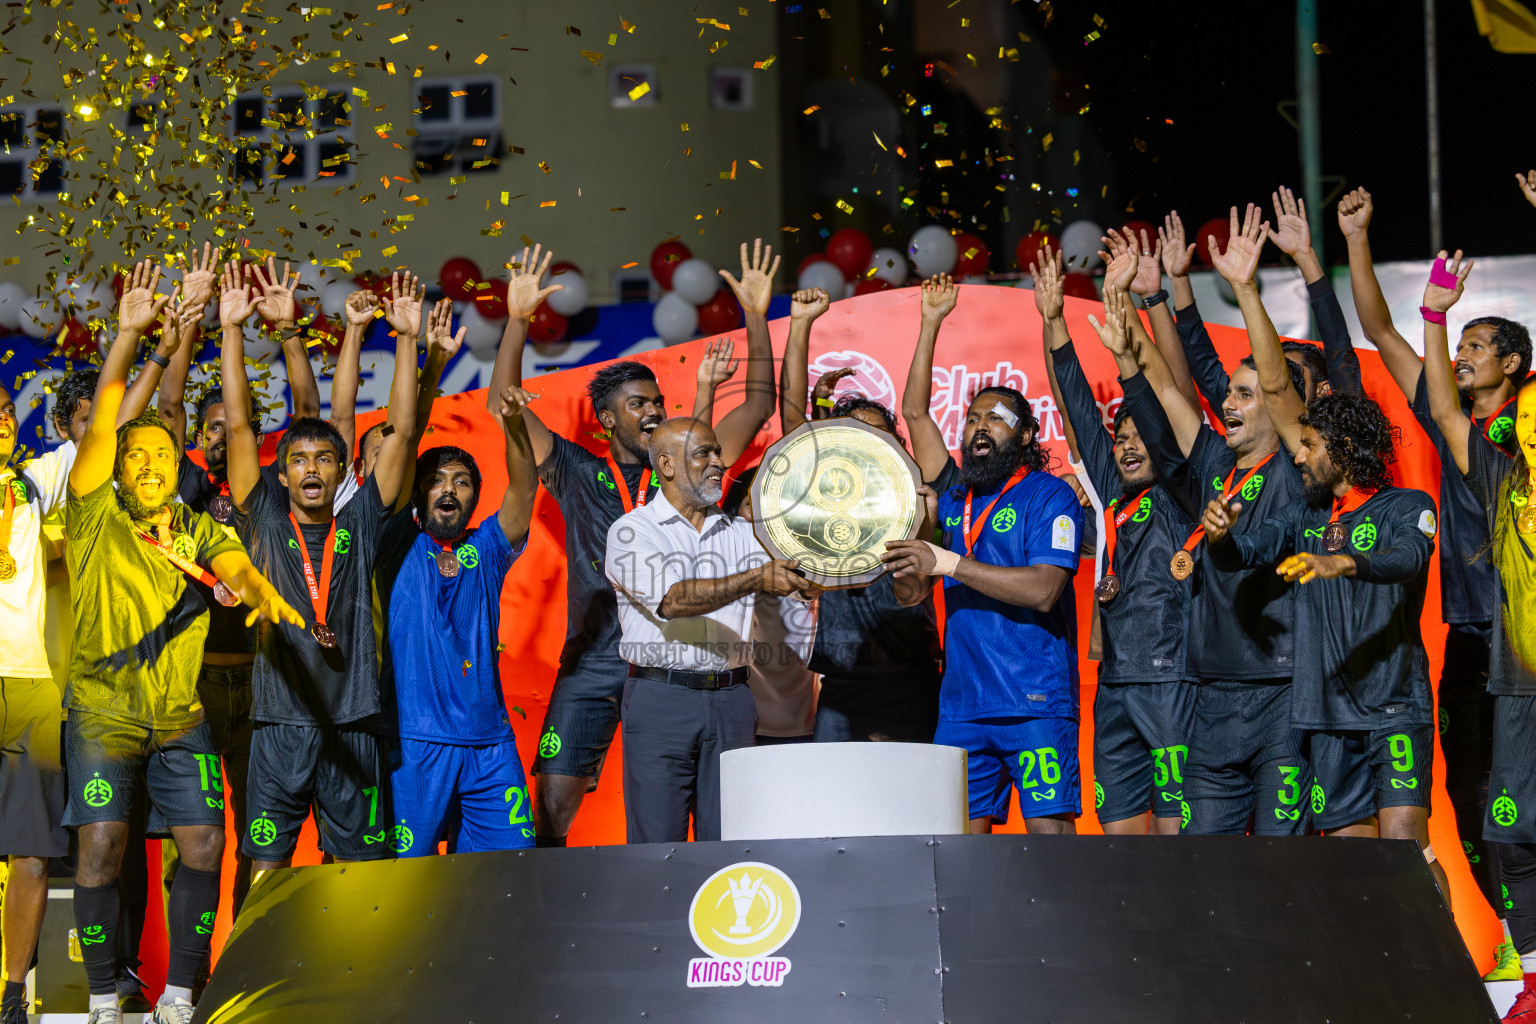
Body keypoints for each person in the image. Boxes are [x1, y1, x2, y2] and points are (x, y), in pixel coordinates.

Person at [61, 262, 300, 1024]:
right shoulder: (96, 510)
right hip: (102, 712)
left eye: (165, 456)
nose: (154, 464)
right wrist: (135, 334)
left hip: (177, 715)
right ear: (120, 471)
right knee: (101, 846)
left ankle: (179, 995)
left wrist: (256, 588)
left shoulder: (198, 524)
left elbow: (229, 558)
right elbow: (105, 423)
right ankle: (103, 995)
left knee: (203, 843)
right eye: (141, 456)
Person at [502, 240, 780, 846]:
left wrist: (756, 315)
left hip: (680, 661)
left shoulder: (690, 467)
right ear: (607, 418)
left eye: (657, 400)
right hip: (598, 660)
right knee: (549, 811)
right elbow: (509, 406)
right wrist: (518, 320)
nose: (652, 411)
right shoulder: (576, 469)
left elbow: (757, 403)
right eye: (637, 405)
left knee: (706, 827)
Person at [1342, 187, 1529, 965]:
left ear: (1512, 364)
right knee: (1479, 800)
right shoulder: (1456, 421)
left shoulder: (1518, 433)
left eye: (1478, 345)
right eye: (1462, 344)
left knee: (1519, 805)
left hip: (1525, 634)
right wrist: (1356, 238)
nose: (1461, 354)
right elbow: (1382, 329)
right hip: (1470, 638)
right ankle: (1519, 945)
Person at [1199, 379, 1442, 899]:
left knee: (1406, 847)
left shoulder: (1406, 505)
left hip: (1392, 705)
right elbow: (1247, 553)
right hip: (1326, 714)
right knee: (1351, 858)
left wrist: (1347, 562)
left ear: (1346, 450)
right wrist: (1219, 540)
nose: (1300, 455)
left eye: (1310, 445)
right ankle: (1370, 968)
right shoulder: (1307, 515)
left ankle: (1445, 975)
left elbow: (1410, 559)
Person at [220, 262, 418, 872]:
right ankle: (256, 970)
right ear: (281, 475)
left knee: (359, 876)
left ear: (342, 470)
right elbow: (237, 425)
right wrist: (230, 330)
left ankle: (354, 971)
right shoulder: (265, 519)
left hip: (354, 719)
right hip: (279, 720)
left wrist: (407, 338)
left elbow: (403, 429)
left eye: (324, 459)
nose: (311, 468)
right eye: (298, 459)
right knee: (266, 869)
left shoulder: (359, 520)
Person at [1120, 206, 1311, 837]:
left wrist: (1246, 289)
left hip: (1281, 693)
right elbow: (1168, 394)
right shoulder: (1212, 467)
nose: (1227, 402)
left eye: (1244, 394)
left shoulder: (1294, 466)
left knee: (1284, 875)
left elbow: (1281, 387)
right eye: (1228, 392)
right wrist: (1131, 338)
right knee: (1205, 870)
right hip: (1210, 697)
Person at [886, 274, 1085, 835]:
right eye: (973, 418)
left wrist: (946, 563)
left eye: (995, 419)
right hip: (963, 704)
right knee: (962, 844)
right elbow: (917, 415)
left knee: (1050, 836)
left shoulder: (1048, 494)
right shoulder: (953, 496)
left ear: (1025, 435)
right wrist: (930, 323)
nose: (978, 426)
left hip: (1033, 701)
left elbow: (1045, 590)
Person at [1038, 249, 1196, 836]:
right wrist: (1053, 320)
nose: (1129, 447)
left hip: (1174, 681)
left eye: (1140, 438)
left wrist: (1132, 307)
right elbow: (1078, 405)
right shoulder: (1110, 498)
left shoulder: (1185, 489)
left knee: (1178, 841)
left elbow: (1171, 390)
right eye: (1120, 437)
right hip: (1114, 686)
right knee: (1120, 839)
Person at [1416, 248, 1536, 1022]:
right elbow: (1447, 409)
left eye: (1478, 348)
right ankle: (1532, 979)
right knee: (1511, 828)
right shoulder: (1496, 467)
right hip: (1519, 671)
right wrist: (1433, 316)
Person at [375, 299, 540, 855]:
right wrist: (433, 366)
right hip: (415, 744)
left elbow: (523, 489)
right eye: (437, 480)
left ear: (474, 494)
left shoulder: (488, 548)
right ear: (419, 493)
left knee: (506, 877)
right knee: (405, 888)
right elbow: (405, 435)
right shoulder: (399, 541)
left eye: (463, 480)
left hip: (491, 744)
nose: (449, 488)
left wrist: (514, 426)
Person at [605, 417, 819, 842]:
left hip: (734, 701)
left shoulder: (745, 534)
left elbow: (807, 580)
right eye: (705, 453)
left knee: (730, 844)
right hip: (660, 700)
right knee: (656, 845)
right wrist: (757, 578)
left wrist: (835, 548)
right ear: (666, 465)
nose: (719, 462)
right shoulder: (632, 531)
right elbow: (674, 600)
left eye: (717, 451)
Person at [776, 286, 943, 744]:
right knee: (834, 814)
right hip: (842, 684)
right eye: (856, 437)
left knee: (913, 813)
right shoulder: (822, 499)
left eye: (879, 437)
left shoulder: (919, 500)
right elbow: (793, 426)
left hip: (911, 680)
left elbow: (912, 593)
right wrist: (801, 325)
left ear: (897, 448)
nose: (869, 445)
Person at [696, 338, 819, 744]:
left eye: (774, 490)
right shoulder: (733, 535)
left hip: (812, 718)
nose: (767, 498)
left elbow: (802, 445)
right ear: (740, 505)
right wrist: (706, 390)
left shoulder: (801, 536)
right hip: (746, 719)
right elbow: (691, 471)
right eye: (756, 492)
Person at [1159, 195, 1360, 405]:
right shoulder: (1253, 423)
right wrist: (1179, 280)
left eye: (1292, 375)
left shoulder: (1340, 430)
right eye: (1269, 374)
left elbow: (1338, 346)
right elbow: (1206, 370)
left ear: (1322, 390)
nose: (1278, 379)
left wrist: (1304, 256)